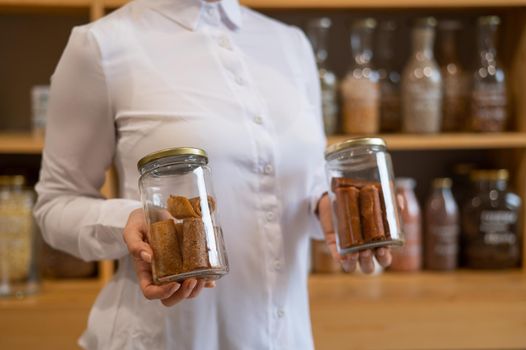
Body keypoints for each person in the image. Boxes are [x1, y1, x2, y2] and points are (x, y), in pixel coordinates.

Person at [34, 0, 392, 348]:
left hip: (287, 336)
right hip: (170, 338)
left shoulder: (290, 42)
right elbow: (55, 205)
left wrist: (323, 209)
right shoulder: (101, 44)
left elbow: (299, 181)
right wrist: (127, 222)